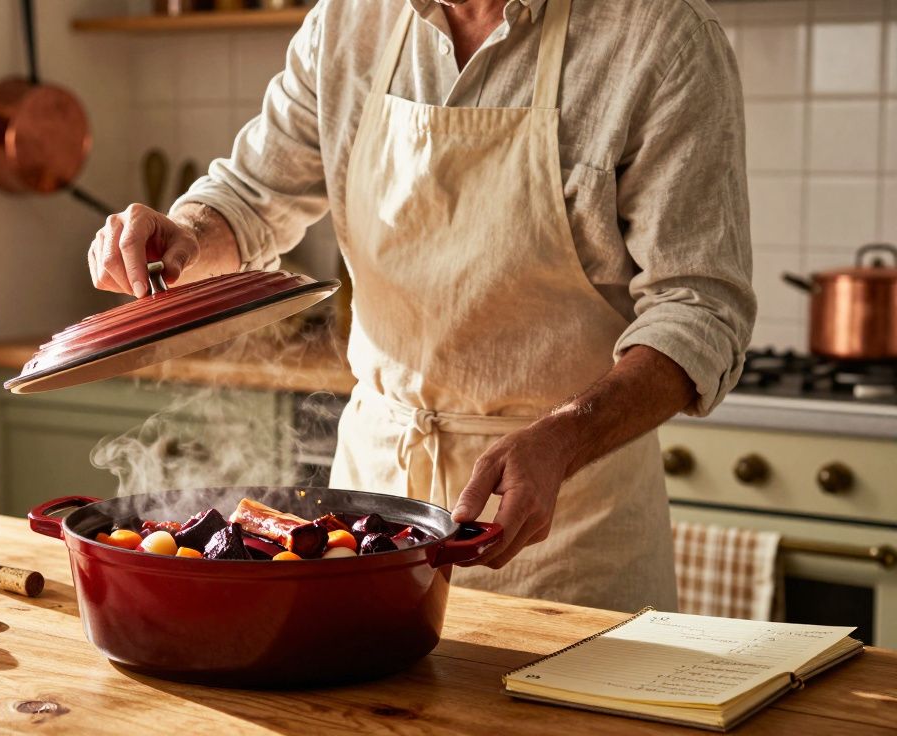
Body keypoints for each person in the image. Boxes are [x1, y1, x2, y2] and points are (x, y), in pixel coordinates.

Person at [86, 0, 753, 612]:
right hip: (371, 522)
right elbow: (253, 195)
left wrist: (567, 435)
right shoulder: (350, 22)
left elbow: (701, 309)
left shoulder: (659, 38)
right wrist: (187, 236)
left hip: (571, 528)